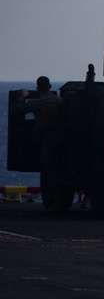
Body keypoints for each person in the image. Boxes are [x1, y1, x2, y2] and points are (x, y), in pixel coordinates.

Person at [15, 76, 64, 210]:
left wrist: (22, 96)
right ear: (50, 86)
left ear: (37, 88)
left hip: (45, 141)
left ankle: (54, 203)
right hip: (61, 141)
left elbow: (17, 109)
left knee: (49, 172)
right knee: (56, 171)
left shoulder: (36, 103)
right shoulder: (59, 101)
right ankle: (58, 201)